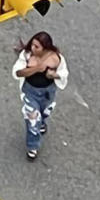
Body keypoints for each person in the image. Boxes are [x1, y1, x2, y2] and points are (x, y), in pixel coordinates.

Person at [12, 32, 68, 160]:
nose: (33, 48)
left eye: (37, 47)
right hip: (31, 92)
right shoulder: (26, 56)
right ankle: (33, 147)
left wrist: (53, 75)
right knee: (32, 120)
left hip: (48, 92)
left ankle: (42, 122)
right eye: (32, 45)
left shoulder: (56, 58)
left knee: (45, 111)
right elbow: (18, 72)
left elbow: (63, 73)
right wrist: (37, 69)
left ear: (45, 48)